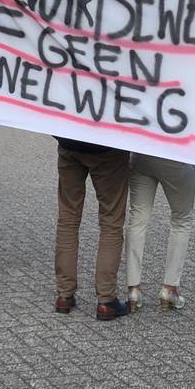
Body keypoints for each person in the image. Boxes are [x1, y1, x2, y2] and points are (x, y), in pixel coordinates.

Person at [54, 137, 131, 320]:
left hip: (69, 142)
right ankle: (105, 300)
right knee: (111, 221)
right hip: (108, 148)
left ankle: (64, 295)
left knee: (68, 218)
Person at [125, 154, 195, 312]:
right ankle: (170, 288)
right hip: (177, 156)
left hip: (143, 152)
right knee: (181, 220)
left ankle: (133, 289)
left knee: (137, 219)